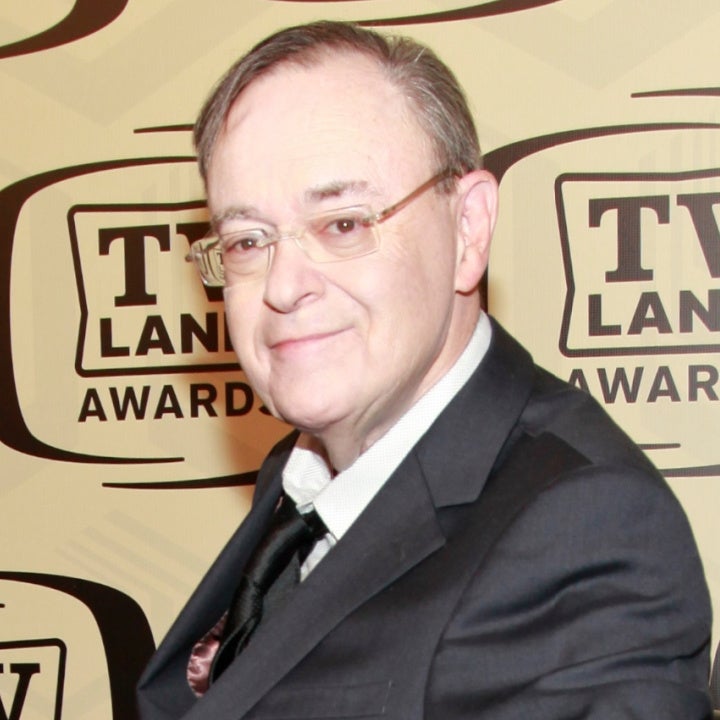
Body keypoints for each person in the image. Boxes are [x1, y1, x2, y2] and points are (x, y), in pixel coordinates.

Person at [137, 20, 712, 720]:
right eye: (247, 241)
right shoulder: (306, 479)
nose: (283, 286)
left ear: (468, 228)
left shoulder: (582, 530)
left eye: (343, 224)